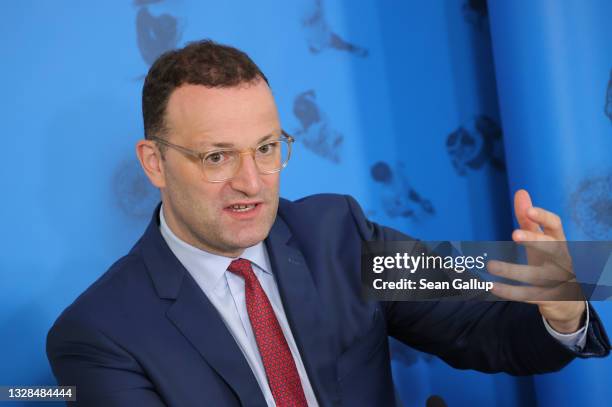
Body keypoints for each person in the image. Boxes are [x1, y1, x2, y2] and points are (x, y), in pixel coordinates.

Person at [47, 40, 610, 407]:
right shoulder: (98, 334)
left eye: (267, 148)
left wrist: (560, 308)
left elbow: (480, 327)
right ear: (155, 163)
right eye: (217, 157)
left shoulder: (340, 235)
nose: (253, 181)